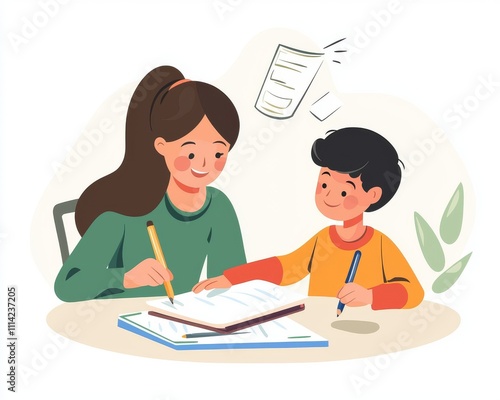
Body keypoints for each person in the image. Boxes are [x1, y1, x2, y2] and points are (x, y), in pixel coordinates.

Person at [54, 66, 246, 302]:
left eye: (218, 153)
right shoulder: (128, 205)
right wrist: (126, 278)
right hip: (120, 325)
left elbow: (232, 281)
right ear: (161, 146)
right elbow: (67, 285)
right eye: (191, 153)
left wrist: (229, 285)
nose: (205, 164)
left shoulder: (217, 206)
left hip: (181, 323)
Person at [193, 127, 424, 310]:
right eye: (324, 183)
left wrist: (371, 295)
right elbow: (287, 268)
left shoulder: (380, 245)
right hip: (320, 327)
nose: (329, 196)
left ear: (373, 195)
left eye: (345, 191)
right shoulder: (324, 240)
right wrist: (232, 277)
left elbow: (414, 292)